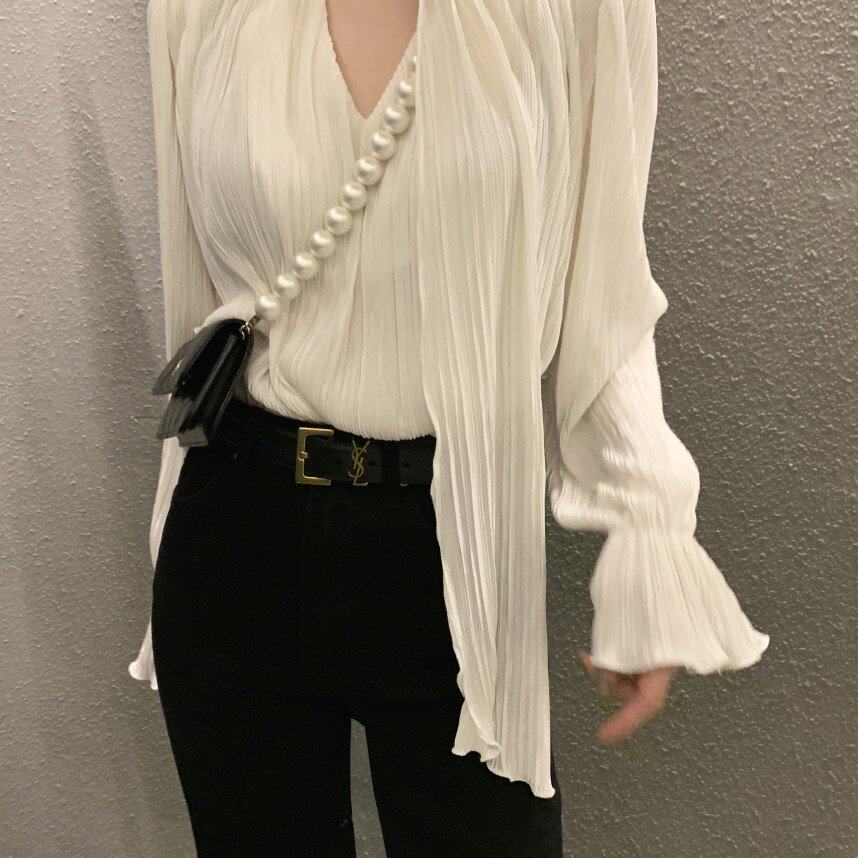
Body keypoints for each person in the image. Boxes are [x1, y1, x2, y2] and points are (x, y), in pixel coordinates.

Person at [128, 0, 770, 855]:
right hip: (237, 532)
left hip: (450, 545)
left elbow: (605, 290)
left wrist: (644, 532)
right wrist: (171, 518)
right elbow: (196, 290)